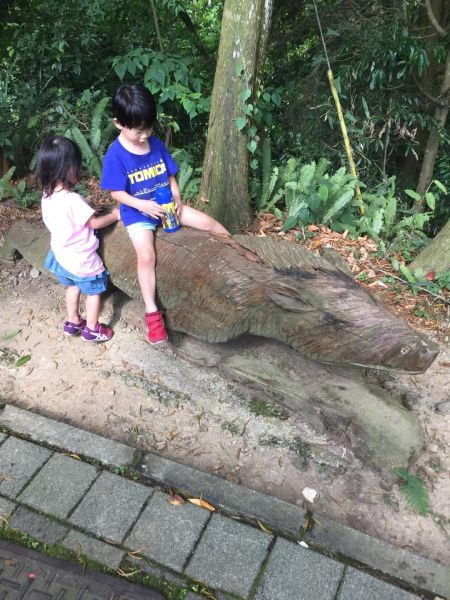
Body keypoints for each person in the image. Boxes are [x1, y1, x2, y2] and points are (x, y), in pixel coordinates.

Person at [100, 83, 228, 345]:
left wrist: (178, 199)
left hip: (167, 207)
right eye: (139, 130)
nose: (145, 135)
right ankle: (152, 313)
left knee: (207, 222)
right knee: (146, 256)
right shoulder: (115, 155)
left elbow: (170, 176)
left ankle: (238, 250)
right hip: (138, 213)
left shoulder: (155, 144)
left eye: (149, 128)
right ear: (118, 123)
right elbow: (116, 193)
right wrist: (141, 205)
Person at [37, 135, 120, 342]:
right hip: (82, 260)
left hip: (61, 257)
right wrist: (114, 215)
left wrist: (89, 210)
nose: (80, 170)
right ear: (66, 170)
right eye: (77, 166)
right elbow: (93, 223)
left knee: (72, 287)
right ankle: (92, 329)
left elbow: (67, 218)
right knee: (93, 292)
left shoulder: (47, 196)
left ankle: (73, 321)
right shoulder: (73, 200)